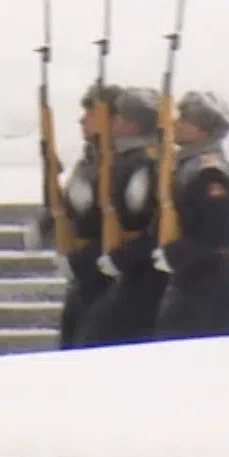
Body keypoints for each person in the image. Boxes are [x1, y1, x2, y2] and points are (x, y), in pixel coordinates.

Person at [26, 83, 125, 349]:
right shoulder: (89, 161)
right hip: (83, 280)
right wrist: (47, 221)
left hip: (107, 279)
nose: (82, 120)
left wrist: (81, 260)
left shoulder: (118, 164)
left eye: (90, 113)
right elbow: (71, 206)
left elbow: (115, 227)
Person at [76, 88, 168, 346]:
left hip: (140, 269)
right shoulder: (121, 159)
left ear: (131, 123)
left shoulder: (143, 162)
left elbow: (143, 216)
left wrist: (122, 255)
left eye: (118, 118)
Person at [153, 91, 229, 339]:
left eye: (185, 120)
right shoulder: (185, 165)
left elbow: (221, 231)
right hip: (189, 277)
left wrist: (177, 253)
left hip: (209, 285)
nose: (175, 124)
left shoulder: (209, 172)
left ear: (202, 130)